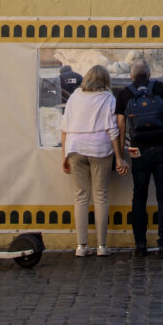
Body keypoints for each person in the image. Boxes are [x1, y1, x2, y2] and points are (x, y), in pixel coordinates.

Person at [116, 58, 163, 258]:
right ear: (149, 75)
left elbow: (121, 127)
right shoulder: (159, 87)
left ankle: (140, 246)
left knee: (139, 196)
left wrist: (120, 154)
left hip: (138, 151)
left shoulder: (125, 94)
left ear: (131, 76)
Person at [60, 64, 126, 256]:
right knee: (100, 196)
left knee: (80, 197)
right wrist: (119, 157)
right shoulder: (108, 98)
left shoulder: (74, 97)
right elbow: (112, 130)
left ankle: (81, 246)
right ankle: (102, 246)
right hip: (100, 149)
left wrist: (64, 155)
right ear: (105, 80)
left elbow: (64, 128)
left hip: (76, 148)